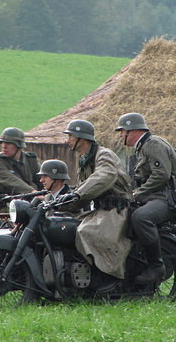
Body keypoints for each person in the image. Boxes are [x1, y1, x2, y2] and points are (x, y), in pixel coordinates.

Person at [58, 119, 134, 292]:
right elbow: (83, 194)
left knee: (87, 230)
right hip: (102, 210)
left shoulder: (104, 155)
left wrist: (76, 194)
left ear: (81, 138)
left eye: (70, 136)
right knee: (67, 223)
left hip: (118, 210)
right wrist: (61, 204)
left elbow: (103, 176)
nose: (67, 140)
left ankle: (110, 276)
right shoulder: (85, 161)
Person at [115, 112, 176, 284]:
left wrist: (137, 194)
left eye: (122, 131)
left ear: (133, 130)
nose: (120, 135)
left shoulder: (152, 144)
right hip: (156, 198)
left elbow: (161, 174)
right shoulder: (144, 146)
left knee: (141, 217)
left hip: (166, 199)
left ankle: (156, 265)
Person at [0, 127, 42, 195]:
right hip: (3, 202)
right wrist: (32, 192)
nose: (4, 146)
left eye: (8, 143)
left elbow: (41, 181)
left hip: (28, 200)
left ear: (19, 146)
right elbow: (11, 181)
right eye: (3, 143)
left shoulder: (30, 159)